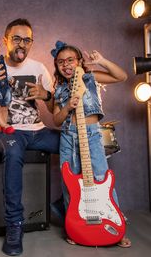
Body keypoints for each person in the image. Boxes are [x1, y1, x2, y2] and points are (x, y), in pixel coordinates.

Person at [0, 19, 60, 256]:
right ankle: (15, 225)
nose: (22, 44)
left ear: (32, 42)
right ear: (6, 40)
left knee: (76, 141)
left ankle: (63, 206)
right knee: (13, 152)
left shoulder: (39, 67)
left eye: (27, 39)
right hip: (8, 132)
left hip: (38, 131)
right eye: (17, 39)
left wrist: (45, 94)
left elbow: (53, 110)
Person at [51, 40, 131, 248]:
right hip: (69, 137)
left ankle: (116, 227)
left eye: (70, 60)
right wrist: (68, 106)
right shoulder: (58, 89)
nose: (66, 65)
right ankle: (75, 227)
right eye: (61, 62)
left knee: (101, 179)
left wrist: (102, 61)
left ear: (79, 61)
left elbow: (121, 76)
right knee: (71, 185)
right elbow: (56, 120)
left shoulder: (90, 78)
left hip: (91, 135)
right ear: (57, 66)